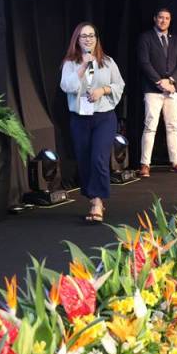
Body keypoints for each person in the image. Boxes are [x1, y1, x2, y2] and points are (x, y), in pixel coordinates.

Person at [60, 22, 125, 223]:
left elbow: (119, 85)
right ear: (77, 40)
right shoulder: (70, 63)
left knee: (99, 158)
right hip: (80, 119)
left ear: (96, 39)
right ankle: (93, 197)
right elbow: (66, 86)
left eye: (91, 35)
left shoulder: (108, 61)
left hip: (104, 117)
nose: (88, 39)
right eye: (84, 36)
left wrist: (102, 90)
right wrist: (83, 66)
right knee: (85, 161)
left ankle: (97, 202)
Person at [137, 8, 177, 176]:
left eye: (167, 18)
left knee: (173, 127)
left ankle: (175, 162)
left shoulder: (176, 39)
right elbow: (144, 62)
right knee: (150, 126)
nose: (163, 21)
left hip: (173, 88)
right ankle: (145, 164)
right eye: (161, 17)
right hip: (153, 89)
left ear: (170, 20)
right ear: (155, 18)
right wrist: (160, 82)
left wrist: (171, 80)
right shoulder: (146, 37)